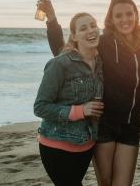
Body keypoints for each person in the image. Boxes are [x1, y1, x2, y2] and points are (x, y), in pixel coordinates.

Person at [38, 0, 140, 186]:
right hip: (104, 123)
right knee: (105, 182)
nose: (125, 19)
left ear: (136, 15)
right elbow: (64, 50)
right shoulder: (104, 42)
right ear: (111, 19)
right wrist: (52, 21)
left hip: (131, 125)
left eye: (129, 14)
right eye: (118, 15)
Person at [34, 12, 104, 186]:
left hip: (86, 145)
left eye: (93, 25)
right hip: (57, 144)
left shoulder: (101, 61)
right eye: (83, 28)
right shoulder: (60, 63)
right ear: (74, 36)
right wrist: (80, 110)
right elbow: (40, 107)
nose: (90, 30)